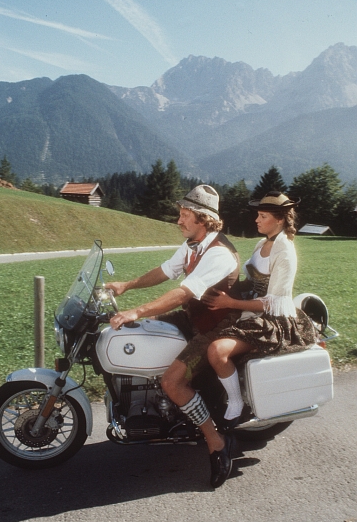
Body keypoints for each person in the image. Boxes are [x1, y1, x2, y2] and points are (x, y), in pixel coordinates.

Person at [106, 184, 241, 488]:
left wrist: (136, 311)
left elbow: (183, 292)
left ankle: (216, 443)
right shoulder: (194, 244)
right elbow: (166, 271)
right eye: (180, 214)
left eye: (185, 215)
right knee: (145, 332)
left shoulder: (219, 254)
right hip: (194, 317)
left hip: (216, 328)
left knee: (171, 381)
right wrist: (126, 285)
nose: (178, 220)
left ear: (203, 219)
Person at [202, 191, 318, 449]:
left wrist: (230, 303)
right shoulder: (260, 244)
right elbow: (250, 283)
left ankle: (236, 403)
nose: (257, 219)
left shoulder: (285, 251)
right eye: (257, 214)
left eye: (262, 216)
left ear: (278, 220)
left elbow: (273, 302)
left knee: (217, 351)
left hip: (273, 321)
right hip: (250, 311)